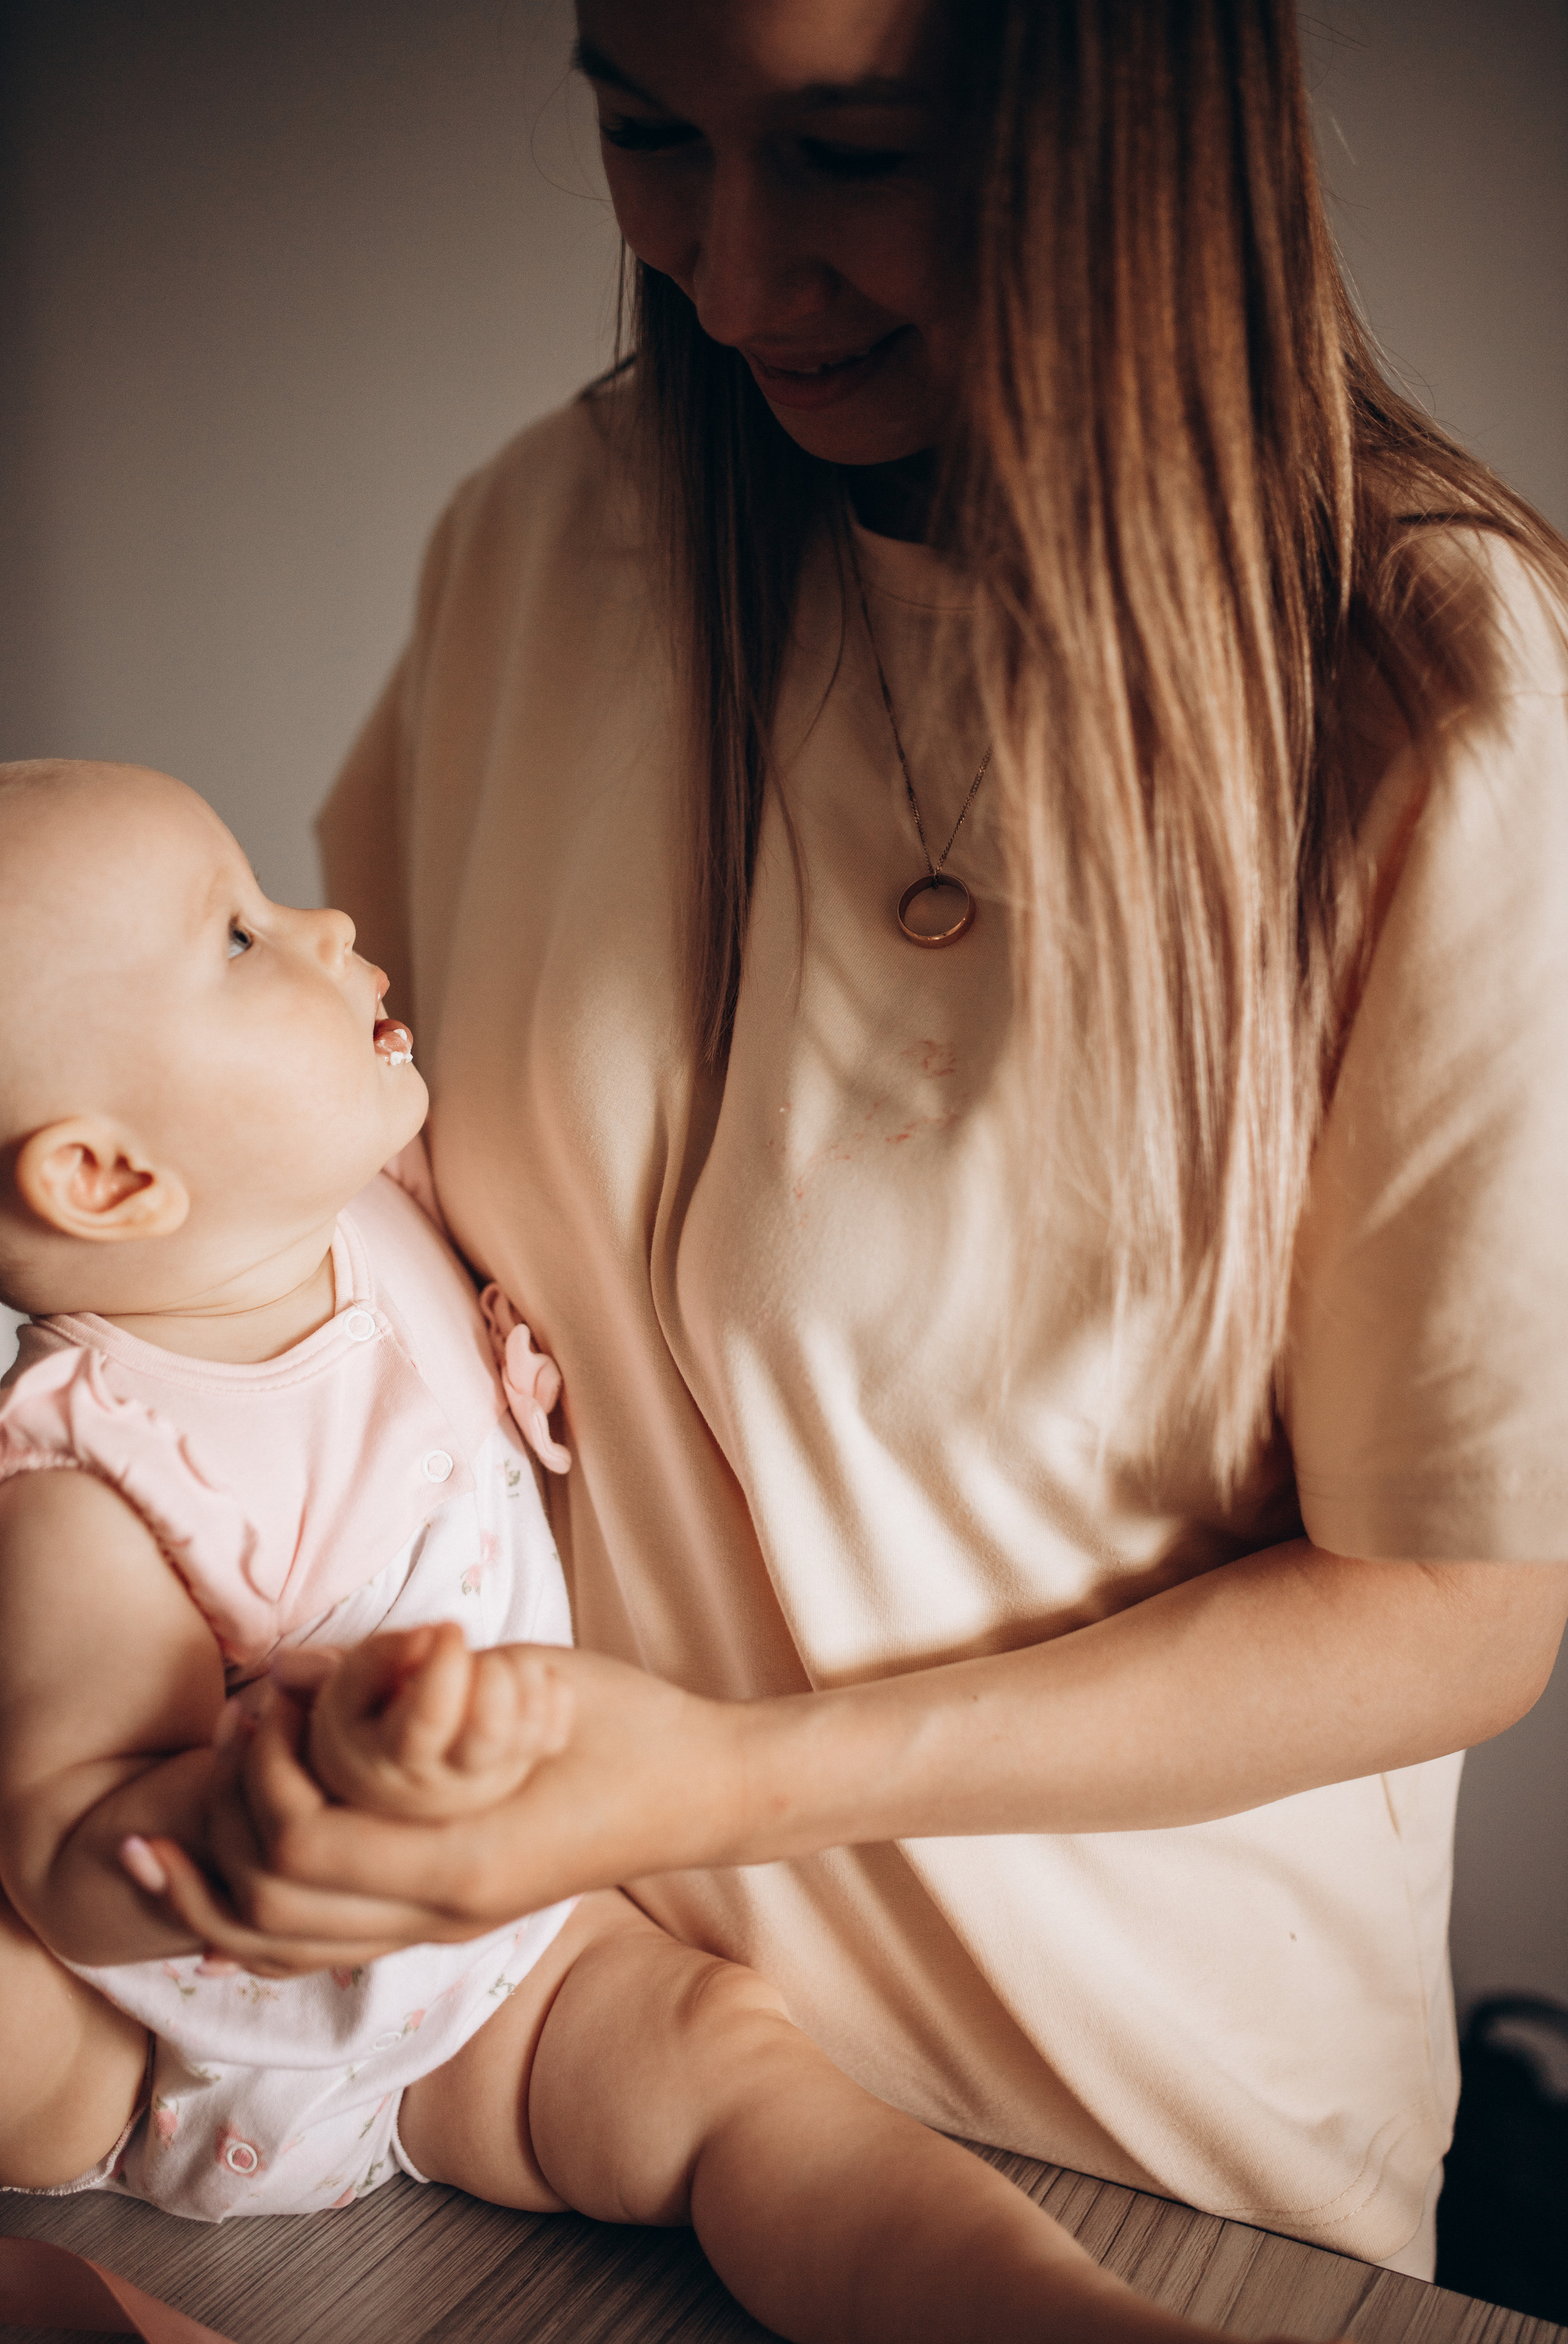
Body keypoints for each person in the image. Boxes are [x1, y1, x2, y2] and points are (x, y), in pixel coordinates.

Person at [119, 0, 1568, 2289]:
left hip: (1152, 2162)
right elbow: (350, 1238)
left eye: (857, 152)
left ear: (1137, 134)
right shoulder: (541, 541)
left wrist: (720, 1781)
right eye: (645, 133)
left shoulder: (1427, 690)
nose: (730, 272)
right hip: (536, 2102)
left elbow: (1454, 1603)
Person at [0, 755, 1289, 2344]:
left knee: (730, 2062)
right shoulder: (91, 1469)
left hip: (496, 1977)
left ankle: (1057, 2314)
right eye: (245, 939)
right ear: (109, 1177)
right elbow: (63, 1840)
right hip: (156, 2042)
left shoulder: (379, 1206)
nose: (329, 926)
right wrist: (232, 1818)